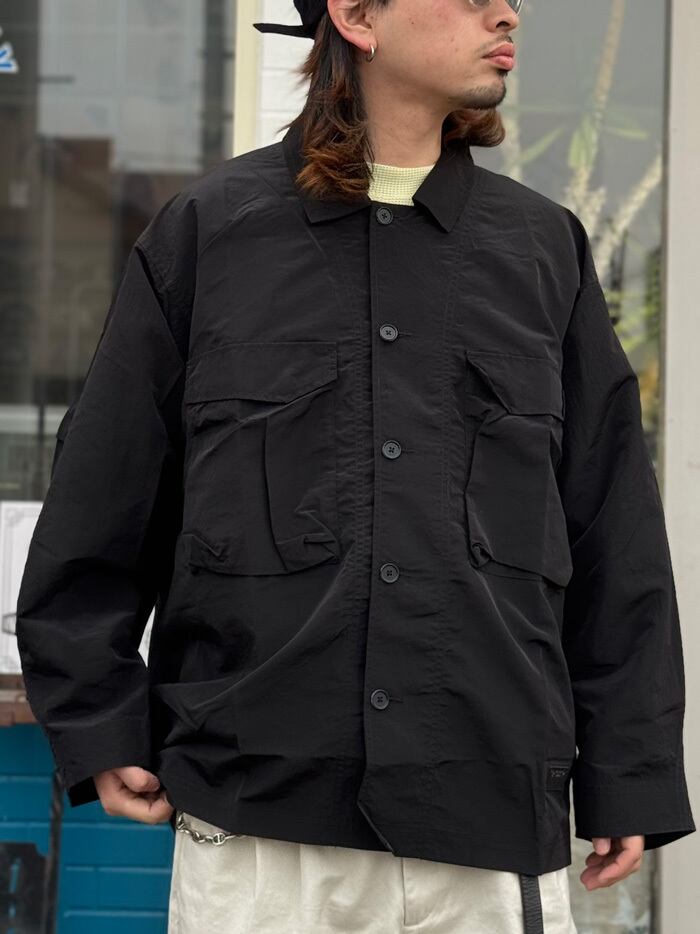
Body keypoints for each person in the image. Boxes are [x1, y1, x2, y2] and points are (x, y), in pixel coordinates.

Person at [15, 1, 695, 932]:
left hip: (487, 826)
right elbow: (103, 497)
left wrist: (630, 769)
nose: (508, 11)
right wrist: (97, 719)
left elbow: (614, 530)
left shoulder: (544, 251)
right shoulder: (209, 234)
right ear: (359, 14)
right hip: (258, 832)